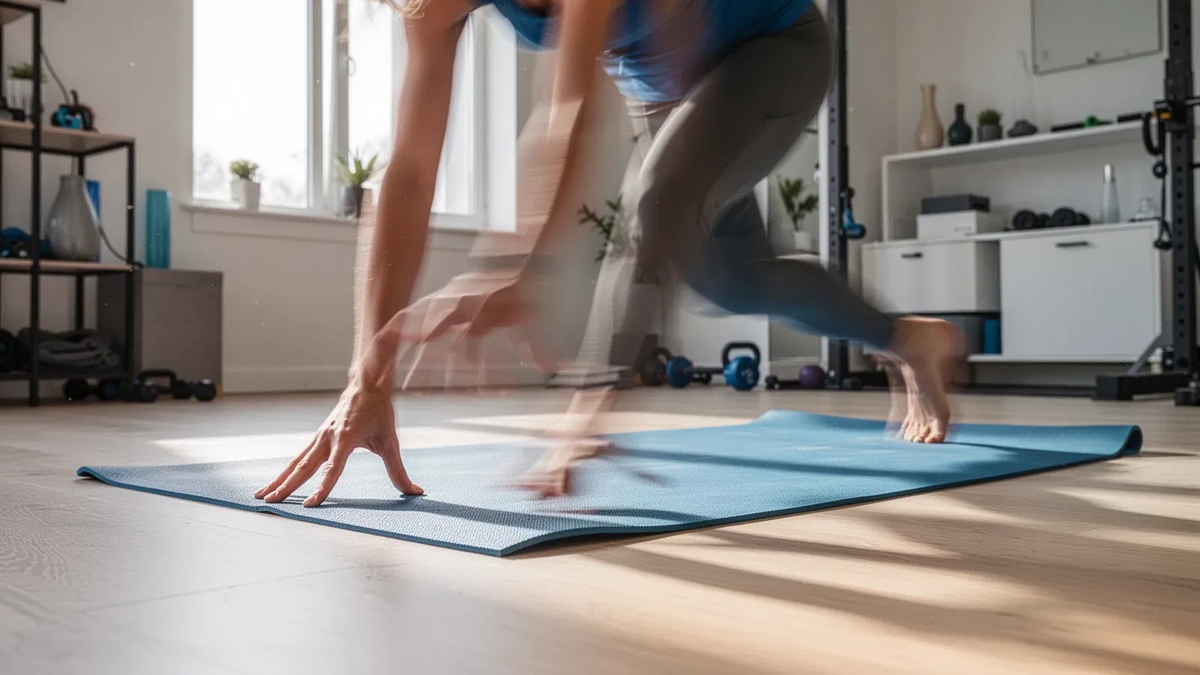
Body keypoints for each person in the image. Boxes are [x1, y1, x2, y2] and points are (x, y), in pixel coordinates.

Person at [254, 0, 964, 507]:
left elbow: (566, 110)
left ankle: (588, 405)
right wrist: (367, 378)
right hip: (664, 85)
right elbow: (410, 173)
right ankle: (909, 337)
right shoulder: (428, 8)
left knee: (657, 203)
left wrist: (534, 297)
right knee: (731, 280)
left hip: (773, 44)